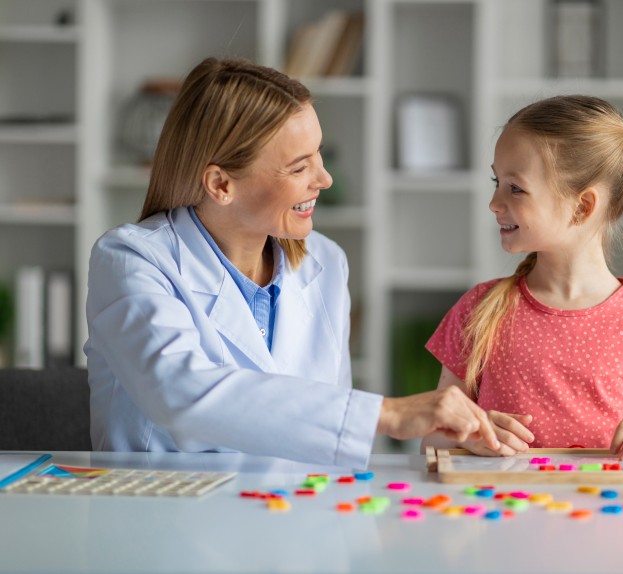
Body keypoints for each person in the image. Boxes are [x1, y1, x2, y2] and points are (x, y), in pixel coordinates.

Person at [85, 57, 500, 468]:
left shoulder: (325, 262)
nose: (324, 179)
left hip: (289, 514)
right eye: (300, 166)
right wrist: (389, 414)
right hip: (159, 518)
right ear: (221, 184)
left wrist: (455, 437)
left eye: (318, 155)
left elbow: (323, 444)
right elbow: (180, 393)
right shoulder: (131, 261)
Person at [421, 96, 623, 460]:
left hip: (610, 516)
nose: (494, 201)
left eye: (515, 187)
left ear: (583, 206)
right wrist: (469, 434)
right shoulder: (478, 309)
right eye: (497, 181)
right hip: (502, 514)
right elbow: (431, 443)